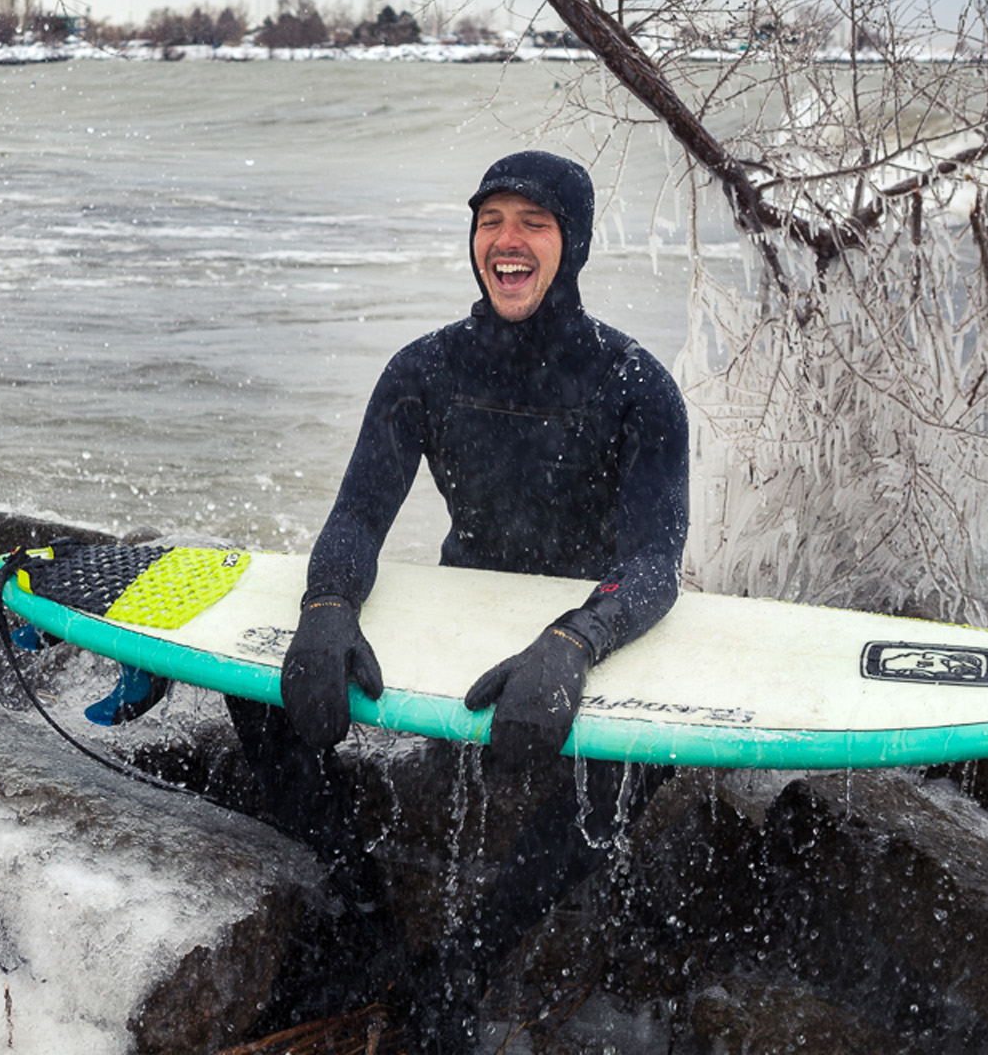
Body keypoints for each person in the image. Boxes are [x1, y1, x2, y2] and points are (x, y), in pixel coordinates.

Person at [225, 149, 690, 1052]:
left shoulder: (637, 390)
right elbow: (358, 515)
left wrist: (573, 643)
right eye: (490, 222)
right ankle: (365, 916)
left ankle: (466, 961)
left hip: (582, 628)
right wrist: (327, 610)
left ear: (576, 243)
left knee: (644, 756)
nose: (506, 243)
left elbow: (656, 565)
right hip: (465, 610)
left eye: (534, 223)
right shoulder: (425, 371)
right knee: (261, 679)